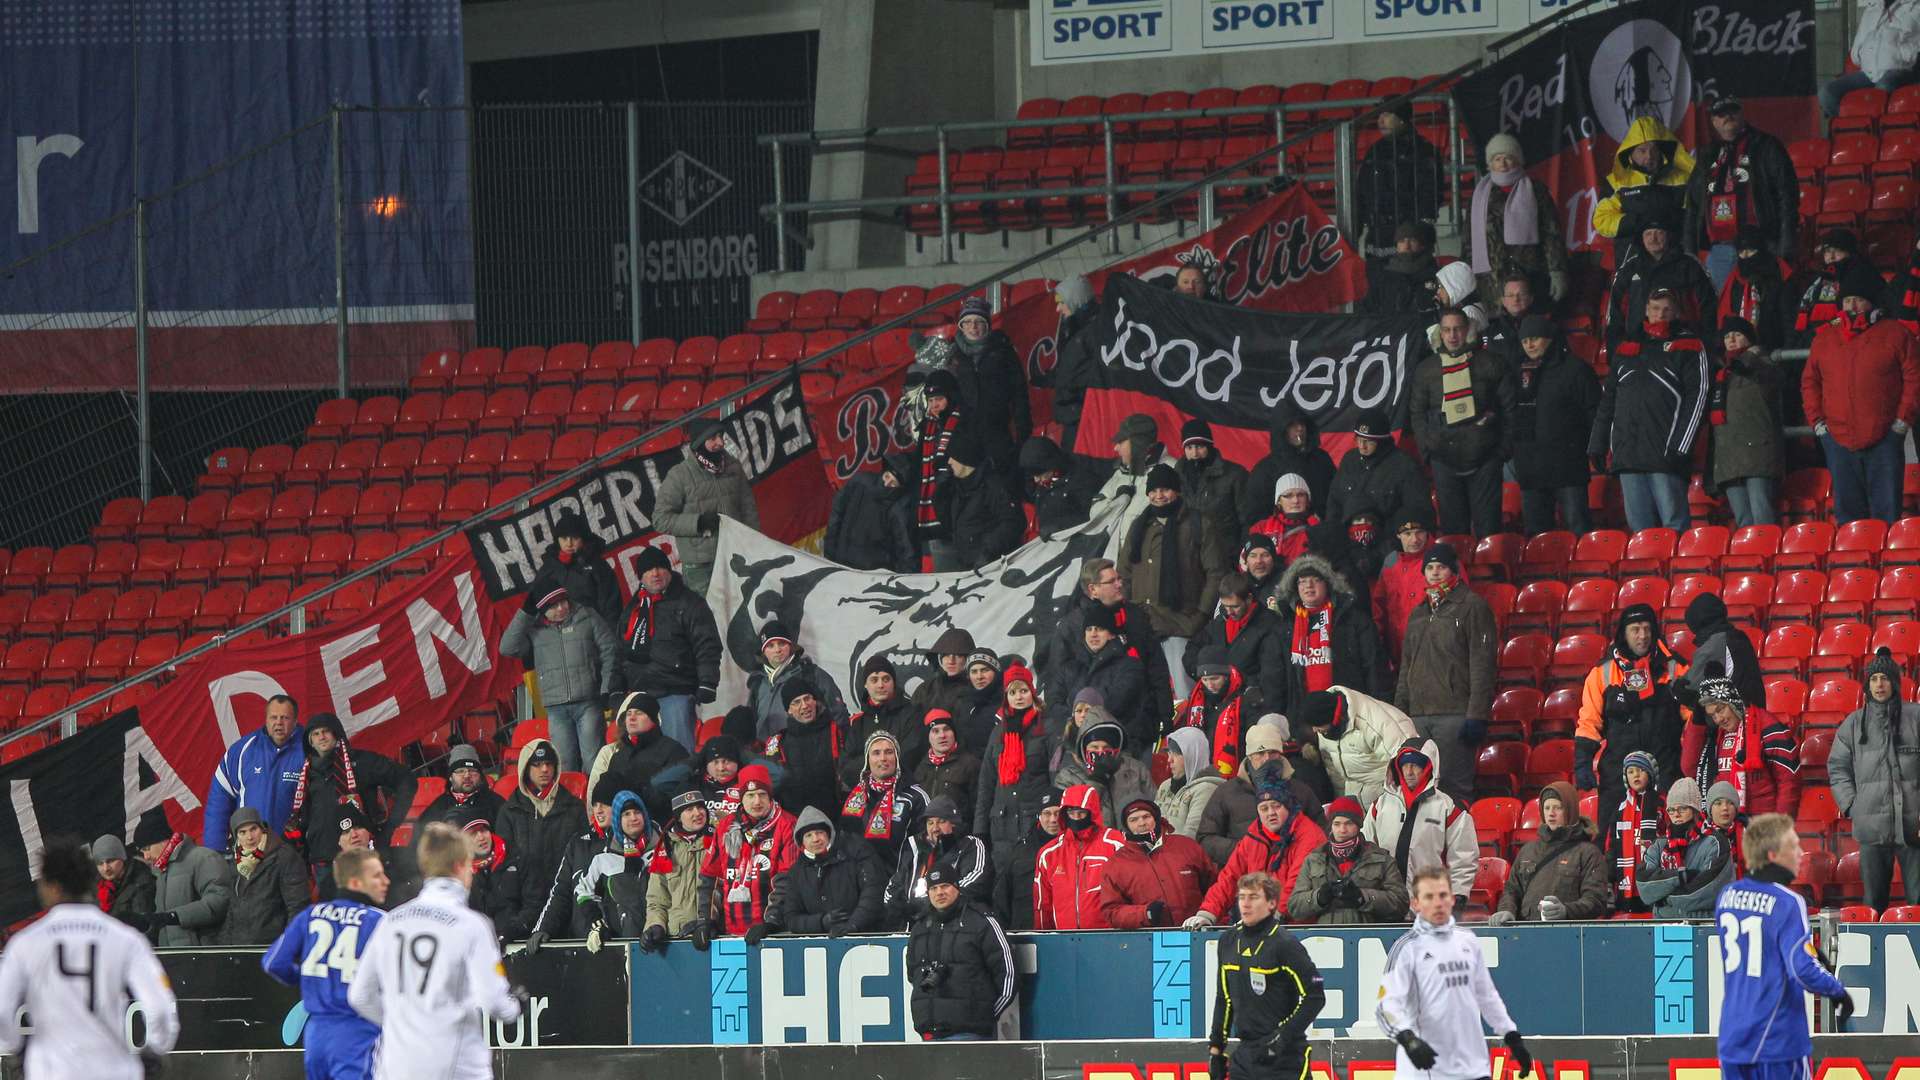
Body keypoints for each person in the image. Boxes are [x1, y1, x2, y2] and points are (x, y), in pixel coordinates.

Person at [349, 824, 523, 1080]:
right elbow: (492, 1001)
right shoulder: (471, 925)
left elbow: (359, 996)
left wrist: (403, 1023)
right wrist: (516, 1006)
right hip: (454, 1064)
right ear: (460, 866)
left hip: (395, 1065)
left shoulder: (391, 921)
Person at [0, 839, 178, 1080]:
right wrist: (154, 1050)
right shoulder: (125, 939)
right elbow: (159, 1008)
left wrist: (16, 1049)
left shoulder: (26, 944)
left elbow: (2, 1010)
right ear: (88, 882)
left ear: (51, 887)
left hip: (51, 1071)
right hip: (112, 1070)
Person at [1713, 814, 1855, 1076]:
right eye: (1793, 845)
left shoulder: (1726, 897)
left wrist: (1810, 952)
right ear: (1772, 855)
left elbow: (1767, 947)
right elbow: (1801, 969)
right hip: (1777, 1040)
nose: (1801, 853)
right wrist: (1837, 992)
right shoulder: (1788, 901)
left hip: (1733, 1037)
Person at [1376, 868, 1535, 1080]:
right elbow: (1385, 1006)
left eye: (1442, 895)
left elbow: (1487, 996)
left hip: (1473, 1068)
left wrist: (1511, 1035)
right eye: (1429, 897)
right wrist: (1407, 1039)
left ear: (1452, 899)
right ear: (1416, 904)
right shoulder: (1407, 948)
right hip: (1426, 1070)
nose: (1438, 903)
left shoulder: (1467, 940)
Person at [1803, 260, 1920, 525]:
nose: (1852, 307)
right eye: (1847, 301)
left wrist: (1900, 424)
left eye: (1858, 300)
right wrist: (1819, 426)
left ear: (1872, 302)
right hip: (1838, 442)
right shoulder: (1825, 339)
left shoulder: (1896, 334)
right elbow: (1810, 383)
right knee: (1848, 523)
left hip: (1885, 440)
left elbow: (1914, 380)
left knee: (1887, 518)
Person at [263, 847, 389, 1080]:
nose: (386, 881)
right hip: (357, 1033)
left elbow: (273, 962)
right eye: (377, 875)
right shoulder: (380, 921)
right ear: (355, 882)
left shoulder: (311, 914)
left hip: (316, 1034)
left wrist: (308, 978)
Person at [1589, 289, 1710, 532]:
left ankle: (1681, 571)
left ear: (1676, 312)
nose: (1660, 315)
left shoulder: (1690, 346)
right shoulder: (1626, 348)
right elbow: (1608, 400)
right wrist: (1597, 443)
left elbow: (1698, 397)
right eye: (1655, 308)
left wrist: (1681, 447)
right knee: (1640, 533)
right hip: (1627, 453)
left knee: (1675, 527)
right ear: (1646, 310)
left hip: (1666, 454)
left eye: (1666, 309)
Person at [1394, 544, 1495, 805]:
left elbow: (1482, 663)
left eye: (1441, 567)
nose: (1435, 572)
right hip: (1417, 715)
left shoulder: (1472, 606)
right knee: (1418, 791)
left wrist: (1476, 714)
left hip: (1455, 714)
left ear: (1453, 570)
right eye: (1430, 567)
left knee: (1453, 788)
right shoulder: (1418, 613)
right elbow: (1407, 665)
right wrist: (1399, 712)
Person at [1207, 870, 1327, 1080]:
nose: (1245, 904)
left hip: (1285, 1057)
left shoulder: (1285, 944)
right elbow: (1223, 998)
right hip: (1245, 1057)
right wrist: (1216, 1049)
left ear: (1271, 903)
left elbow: (1315, 995)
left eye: (1253, 897)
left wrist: (1281, 1039)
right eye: (1241, 897)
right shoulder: (1227, 941)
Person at [1124, 461, 1230, 700]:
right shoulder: (1139, 526)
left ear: (1177, 491)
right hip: (1144, 627)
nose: (1158, 495)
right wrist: (1130, 616)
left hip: (1181, 625)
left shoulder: (1199, 524)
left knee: (1184, 697)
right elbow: (1125, 573)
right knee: (1145, 697)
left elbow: (1216, 573)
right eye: (1153, 490)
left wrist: (1200, 616)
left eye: (1165, 489)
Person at [1829, 648, 1920, 910]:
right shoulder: (1854, 724)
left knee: (1918, 903)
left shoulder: (1915, 717)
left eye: (1885, 678)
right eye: (1874, 678)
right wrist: (1852, 805)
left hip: (1913, 828)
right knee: (1873, 905)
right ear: (1867, 684)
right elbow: (1837, 767)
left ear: (1895, 682)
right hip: (1871, 828)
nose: (1880, 684)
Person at [1411, 307, 1514, 537]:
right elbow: (1416, 414)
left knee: (1489, 531)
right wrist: (1427, 450)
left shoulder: (1491, 363)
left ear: (1468, 330)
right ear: (1440, 332)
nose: (1452, 335)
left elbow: (1509, 409)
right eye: (1446, 330)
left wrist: (1502, 451)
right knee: (1453, 532)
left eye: (1457, 329)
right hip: (1443, 458)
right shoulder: (1426, 369)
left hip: (1485, 457)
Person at [1574, 604, 1689, 810]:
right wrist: (1583, 761)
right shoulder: (1602, 672)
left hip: (1665, 771)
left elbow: (1691, 718)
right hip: (1618, 776)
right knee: (1612, 840)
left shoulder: (1676, 667)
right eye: (1635, 629)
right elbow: (1589, 721)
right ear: (1623, 634)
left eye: (1647, 628)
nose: (1642, 635)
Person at [1186, 769, 1328, 927]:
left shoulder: (1309, 835)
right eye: (1264, 808)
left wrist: (1270, 915)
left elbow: (1296, 884)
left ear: (1289, 806)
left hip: (1300, 927)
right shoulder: (1254, 836)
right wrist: (1207, 914)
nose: (1270, 813)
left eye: (1276, 806)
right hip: (1262, 921)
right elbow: (1230, 878)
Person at [614, 544, 721, 753]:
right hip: (641, 696)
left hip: (676, 693)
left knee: (679, 755)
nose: (655, 573)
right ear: (640, 576)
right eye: (648, 570)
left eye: (660, 568)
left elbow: (707, 644)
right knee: (645, 760)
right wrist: (616, 687)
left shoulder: (690, 602)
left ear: (669, 570)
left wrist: (708, 682)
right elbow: (620, 652)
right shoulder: (632, 610)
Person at [501, 586, 619, 773]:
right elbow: (507, 647)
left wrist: (606, 687)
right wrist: (525, 613)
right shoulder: (533, 628)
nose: (561, 608)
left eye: (563, 601)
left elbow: (610, 650)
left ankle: (595, 801)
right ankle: (571, 802)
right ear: (541, 610)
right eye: (553, 606)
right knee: (564, 764)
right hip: (555, 707)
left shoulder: (587, 616)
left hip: (589, 701)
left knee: (594, 761)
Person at [1684, 97, 1798, 289]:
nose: (1728, 117)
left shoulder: (1766, 146)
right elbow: (1693, 206)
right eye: (1721, 114)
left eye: (1732, 111)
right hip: (1720, 250)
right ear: (1713, 122)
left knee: (1760, 309)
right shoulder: (1707, 155)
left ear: (1742, 114)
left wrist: (1785, 244)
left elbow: (1787, 196)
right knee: (1723, 312)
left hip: (1761, 245)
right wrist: (1689, 251)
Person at [527, 782, 654, 950]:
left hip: (629, 940)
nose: (599, 810)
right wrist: (544, 928)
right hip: (585, 944)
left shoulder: (646, 845)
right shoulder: (578, 844)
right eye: (595, 805)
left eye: (605, 804)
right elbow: (562, 891)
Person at [1508, 314, 1600, 535]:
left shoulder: (1576, 370)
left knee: (1577, 527)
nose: (1529, 344)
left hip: (1568, 465)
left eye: (1535, 338)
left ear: (1550, 338)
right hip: (1530, 467)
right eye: (1524, 340)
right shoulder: (1517, 372)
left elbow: (1595, 412)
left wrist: (1591, 448)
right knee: (1537, 536)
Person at [1362, 740, 1478, 909]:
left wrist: (1458, 894)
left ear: (1428, 767)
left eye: (1415, 765)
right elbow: (1365, 848)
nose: (1409, 771)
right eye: (1404, 765)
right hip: (1386, 900)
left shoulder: (1448, 807)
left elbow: (1464, 855)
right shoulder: (1380, 805)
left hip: (1430, 902)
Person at [652, 416, 759, 596]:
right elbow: (660, 519)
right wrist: (698, 523)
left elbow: (748, 508)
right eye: (712, 438)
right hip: (701, 568)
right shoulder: (679, 475)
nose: (720, 442)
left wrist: (754, 543)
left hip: (737, 555)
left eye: (721, 436)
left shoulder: (733, 466)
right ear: (699, 443)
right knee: (710, 621)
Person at [906, 865, 1015, 1042]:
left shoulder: (981, 921)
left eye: (945, 886)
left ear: (957, 887)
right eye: (933, 888)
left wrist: (983, 1015)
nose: (939, 892)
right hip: (929, 1033)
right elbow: (913, 975)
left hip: (970, 1034)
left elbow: (1007, 973)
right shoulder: (919, 927)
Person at [695, 764, 798, 946]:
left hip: (774, 935)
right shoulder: (725, 827)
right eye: (750, 795)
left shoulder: (787, 825)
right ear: (741, 798)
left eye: (762, 794)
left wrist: (771, 923)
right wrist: (706, 920)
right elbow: (710, 877)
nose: (756, 801)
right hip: (729, 935)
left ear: (770, 796)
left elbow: (788, 880)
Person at [1197, 724, 1329, 865]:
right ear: (1249, 756)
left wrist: (1293, 852)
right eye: (1260, 753)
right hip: (1242, 877)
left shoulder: (1301, 791)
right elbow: (1205, 838)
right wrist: (1245, 851)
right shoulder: (1227, 792)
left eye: (1272, 752)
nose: (1267, 759)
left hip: (1292, 873)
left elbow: (1321, 833)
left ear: (1280, 754)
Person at [1277, 553, 1387, 718]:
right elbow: (1280, 677)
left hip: (1349, 710)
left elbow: (1373, 666)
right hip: (1304, 716)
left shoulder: (1353, 619)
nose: (1309, 586)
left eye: (1316, 580)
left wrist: (1378, 707)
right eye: (1302, 582)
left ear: (1328, 584)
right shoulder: (1286, 626)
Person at [495, 739, 588, 933]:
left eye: (548, 764)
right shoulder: (509, 811)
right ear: (525, 769)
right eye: (537, 765)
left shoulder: (575, 808)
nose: (544, 769)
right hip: (524, 909)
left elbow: (583, 858)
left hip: (567, 908)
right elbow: (504, 864)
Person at [1485, 783, 1611, 924]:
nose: (1551, 813)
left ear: (1570, 810)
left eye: (1558, 808)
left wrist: (1566, 911)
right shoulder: (1528, 850)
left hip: (1568, 935)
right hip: (1526, 932)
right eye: (1547, 808)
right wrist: (1507, 910)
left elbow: (1596, 901)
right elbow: (1512, 890)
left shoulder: (1588, 852)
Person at [1467, 134, 1569, 304]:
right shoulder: (1479, 195)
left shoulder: (1536, 190)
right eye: (1497, 159)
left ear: (1518, 160)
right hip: (1492, 278)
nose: (1503, 164)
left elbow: (1552, 233)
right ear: (1489, 163)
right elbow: (1469, 240)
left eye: (1508, 158)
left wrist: (1557, 270)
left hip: (1532, 274)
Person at [974, 665, 1056, 871]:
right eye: (1012, 692)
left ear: (1033, 692)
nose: (1018, 697)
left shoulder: (1046, 728)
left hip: (1036, 822)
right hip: (1001, 827)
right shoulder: (997, 733)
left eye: (1023, 691)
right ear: (1006, 697)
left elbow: (1056, 776)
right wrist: (980, 829)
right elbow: (986, 783)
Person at [1710, 318, 1788, 528]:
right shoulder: (1721, 373)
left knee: (1763, 517)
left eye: (1737, 334)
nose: (1731, 340)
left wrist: (1752, 358)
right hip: (1729, 457)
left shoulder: (1762, 364)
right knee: (1743, 521)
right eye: (1727, 336)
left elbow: (1776, 381)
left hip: (1758, 454)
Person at [205, 693, 305, 850]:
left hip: (294, 851)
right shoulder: (242, 751)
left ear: (295, 721)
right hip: (249, 852)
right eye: (273, 717)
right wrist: (214, 850)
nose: (278, 723)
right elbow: (219, 801)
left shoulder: (309, 749)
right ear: (266, 719)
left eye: (285, 718)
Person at [768, 806, 886, 938]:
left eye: (819, 832)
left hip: (864, 937)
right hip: (819, 946)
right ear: (801, 843)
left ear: (829, 834)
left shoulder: (856, 853)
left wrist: (853, 925)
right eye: (808, 835)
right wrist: (821, 922)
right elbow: (792, 918)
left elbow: (872, 892)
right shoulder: (797, 872)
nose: (815, 839)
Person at [1288, 796, 1408, 924]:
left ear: (1358, 825)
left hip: (1368, 939)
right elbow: (1294, 907)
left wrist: (1362, 897)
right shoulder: (1313, 860)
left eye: (1349, 823)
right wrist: (1318, 897)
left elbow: (1401, 903)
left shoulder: (1382, 860)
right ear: (1331, 826)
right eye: (1337, 824)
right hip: (1325, 940)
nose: (1342, 830)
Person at [1591, 115, 1694, 265]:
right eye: (1642, 150)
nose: (1649, 156)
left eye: (1654, 150)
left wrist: (1667, 219)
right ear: (1630, 152)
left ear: (1661, 150)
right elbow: (1601, 220)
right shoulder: (1617, 182)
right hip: (1632, 266)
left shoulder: (1682, 179)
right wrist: (1639, 221)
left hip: (1675, 264)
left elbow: (1694, 218)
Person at [1100, 799, 1216, 929]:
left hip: (1196, 934)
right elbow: (1112, 911)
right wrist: (1144, 914)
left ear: (1156, 819)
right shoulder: (1116, 864)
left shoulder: (1187, 846)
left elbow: (1215, 888)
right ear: (1126, 826)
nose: (1142, 823)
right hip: (1149, 941)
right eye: (1133, 820)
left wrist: (1212, 921)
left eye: (1146, 817)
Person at [1606, 215, 1718, 349]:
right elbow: (1615, 314)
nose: (1653, 239)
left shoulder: (1689, 266)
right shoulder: (1630, 269)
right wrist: (1617, 350)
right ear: (1641, 238)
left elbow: (1709, 309)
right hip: (1638, 347)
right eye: (1648, 234)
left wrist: (1706, 346)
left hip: (1683, 347)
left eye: (1659, 233)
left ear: (1669, 236)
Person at [950, 294, 1032, 477]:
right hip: (966, 435)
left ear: (987, 325)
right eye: (968, 322)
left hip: (998, 432)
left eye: (978, 321)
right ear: (961, 325)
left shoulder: (1003, 351)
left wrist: (1023, 432)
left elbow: (1019, 394)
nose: (973, 327)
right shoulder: (953, 355)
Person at [1693, 678, 1801, 817]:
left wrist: (1780, 824)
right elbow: (1690, 765)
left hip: (1764, 826)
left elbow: (1788, 781)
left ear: (1733, 702)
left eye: (1720, 710)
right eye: (1713, 715)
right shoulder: (1718, 735)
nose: (1718, 719)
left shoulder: (1766, 726)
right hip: (1731, 824)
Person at [1053, 608, 1153, 752]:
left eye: (1099, 629)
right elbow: (1054, 703)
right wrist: (1077, 717)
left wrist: (1080, 712)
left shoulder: (1130, 666)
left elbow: (1118, 702)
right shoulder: (1069, 668)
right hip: (1074, 747)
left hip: (1118, 748)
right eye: (1089, 629)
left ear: (1111, 634)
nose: (1093, 633)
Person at [884, 796, 992, 929]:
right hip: (914, 930)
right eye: (930, 823)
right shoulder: (915, 849)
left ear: (954, 823)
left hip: (957, 926)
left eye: (941, 821)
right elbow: (892, 889)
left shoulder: (971, 845)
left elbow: (976, 881)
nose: (935, 828)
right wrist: (902, 909)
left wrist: (928, 904)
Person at [1354, 101, 1443, 261]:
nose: (1380, 120)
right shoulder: (1375, 150)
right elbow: (1362, 192)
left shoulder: (1423, 150)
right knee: (1377, 282)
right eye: (1379, 115)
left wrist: (1420, 233)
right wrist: (1356, 229)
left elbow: (1430, 195)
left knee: (1413, 282)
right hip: (1377, 237)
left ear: (1402, 119)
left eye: (1387, 114)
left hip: (1410, 238)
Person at [127, 811, 233, 945]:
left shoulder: (203, 858)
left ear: (164, 840)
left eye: (147, 848)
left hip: (203, 957)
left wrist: (174, 916)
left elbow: (220, 901)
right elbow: (162, 921)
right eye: (142, 852)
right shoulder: (161, 872)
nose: (146, 856)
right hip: (174, 958)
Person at [1034, 784, 1129, 930]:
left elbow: (1131, 891)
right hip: (1064, 940)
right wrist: (1043, 939)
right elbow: (1043, 905)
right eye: (1072, 812)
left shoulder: (1115, 843)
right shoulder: (1049, 853)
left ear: (1092, 812)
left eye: (1081, 812)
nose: (1076, 818)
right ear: (1065, 814)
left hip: (1109, 937)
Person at [739, 619, 849, 745]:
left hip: (807, 752)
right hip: (766, 756)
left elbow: (839, 713)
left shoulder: (811, 674)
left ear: (790, 646)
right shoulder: (758, 683)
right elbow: (751, 723)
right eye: (771, 645)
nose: (777, 650)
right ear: (763, 651)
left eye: (781, 643)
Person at [1637, 777, 1733, 918]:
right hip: (1663, 926)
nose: (1676, 814)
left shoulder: (1715, 842)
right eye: (1671, 810)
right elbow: (1644, 887)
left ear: (1695, 810)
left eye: (1682, 808)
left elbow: (1708, 891)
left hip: (1701, 925)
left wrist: (1664, 898)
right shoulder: (1659, 845)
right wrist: (1681, 877)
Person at [1325, 410, 1431, 538]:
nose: (1362, 446)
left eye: (1369, 441)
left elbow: (1417, 512)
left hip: (1387, 542)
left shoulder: (1404, 466)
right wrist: (1333, 533)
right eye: (1359, 439)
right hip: (1347, 540)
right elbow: (1334, 500)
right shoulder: (1349, 460)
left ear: (1382, 441)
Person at [587, 691, 690, 817]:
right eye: (629, 714)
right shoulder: (619, 755)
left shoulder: (673, 751)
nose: (632, 717)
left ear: (653, 720)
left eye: (639, 713)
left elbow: (677, 797)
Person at [220, 806, 310, 945]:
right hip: (240, 948)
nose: (249, 837)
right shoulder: (235, 862)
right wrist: (226, 948)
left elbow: (298, 906)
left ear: (262, 828)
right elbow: (231, 910)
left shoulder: (284, 857)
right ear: (236, 836)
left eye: (253, 829)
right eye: (242, 832)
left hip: (272, 947)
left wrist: (287, 945)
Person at [936, 430, 1026, 570]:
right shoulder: (955, 486)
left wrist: (987, 550)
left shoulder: (994, 486)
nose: (949, 461)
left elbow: (1013, 522)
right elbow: (947, 522)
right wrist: (940, 494)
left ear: (965, 459)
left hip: (991, 567)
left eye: (952, 457)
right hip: (966, 565)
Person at [844, 730, 931, 870]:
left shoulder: (916, 797)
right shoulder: (855, 797)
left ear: (897, 758)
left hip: (900, 880)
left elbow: (927, 843)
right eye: (876, 753)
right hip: (862, 880)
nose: (883, 758)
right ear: (867, 760)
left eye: (889, 752)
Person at [639, 789, 712, 952]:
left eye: (700, 807)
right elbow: (657, 899)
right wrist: (655, 925)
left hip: (714, 937)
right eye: (689, 809)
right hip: (676, 941)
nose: (697, 813)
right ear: (678, 816)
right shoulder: (665, 847)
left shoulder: (719, 841)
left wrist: (707, 921)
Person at [764, 679, 848, 819]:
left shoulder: (836, 731)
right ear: (788, 710)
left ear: (815, 701)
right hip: (795, 820)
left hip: (837, 815)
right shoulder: (778, 742)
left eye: (807, 698)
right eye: (796, 702)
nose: (804, 706)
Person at [1824, 0, 1920, 117]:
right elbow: (1857, 46)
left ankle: (1881, 131)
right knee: (1827, 93)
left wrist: (1904, 56)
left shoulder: (1915, 7)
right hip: (1868, 73)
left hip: (1901, 69)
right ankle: (1855, 130)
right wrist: (1863, 56)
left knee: (1882, 89)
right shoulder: (1872, 8)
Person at [1244, 405, 1336, 527]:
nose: (1299, 429)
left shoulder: (1321, 459)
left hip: (1320, 534)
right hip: (1281, 539)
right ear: (1281, 430)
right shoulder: (1265, 470)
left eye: (1302, 424)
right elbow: (1255, 516)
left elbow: (1336, 497)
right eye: (1292, 425)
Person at [529, 510, 623, 624]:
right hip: (560, 634)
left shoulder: (597, 564)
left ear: (583, 538)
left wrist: (608, 636)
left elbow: (611, 606)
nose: (569, 543)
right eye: (564, 538)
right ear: (557, 540)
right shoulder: (549, 568)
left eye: (574, 538)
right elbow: (535, 605)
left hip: (596, 630)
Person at [825, 454, 917, 571]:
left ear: (900, 488)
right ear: (884, 471)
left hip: (864, 571)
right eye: (887, 476)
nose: (887, 483)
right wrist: (829, 552)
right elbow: (836, 516)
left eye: (893, 483)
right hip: (854, 568)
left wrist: (829, 553)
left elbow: (904, 547)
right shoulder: (858, 482)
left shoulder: (897, 508)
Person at [1680, 593, 1766, 712]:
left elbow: (1689, 687)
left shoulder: (1714, 644)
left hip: (1734, 720)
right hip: (1754, 715)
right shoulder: (1737, 636)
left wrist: (1673, 686)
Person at [1372, 509, 1434, 668]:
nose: (1414, 539)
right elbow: (1378, 607)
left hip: (1433, 654)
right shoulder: (1390, 562)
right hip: (1397, 653)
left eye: (1419, 532)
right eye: (1408, 534)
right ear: (1398, 535)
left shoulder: (1440, 560)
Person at [1605, 751, 1665, 914]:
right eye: (1631, 772)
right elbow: (1611, 847)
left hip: (1654, 881)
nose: (1635, 775)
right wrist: (1610, 879)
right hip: (1626, 884)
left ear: (1650, 774)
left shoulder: (1661, 804)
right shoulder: (1620, 809)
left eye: (1641, 770)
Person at [1091, 413, 1177, 525]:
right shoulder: (1122, 471)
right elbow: (1094, 512)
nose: (1115, 448)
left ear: (1138, 444)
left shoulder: (1174, 470)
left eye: (1121, 442)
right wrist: (1118, 501)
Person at [1719, 226, 1796, 350]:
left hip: (1774, 349)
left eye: (1750, 250)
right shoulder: (1734, 279)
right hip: (1740, 350)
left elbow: (1789, 319)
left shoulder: (1780, 275)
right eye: (1741, 252)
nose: (1745, 256)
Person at [994, 790, 1060, 930]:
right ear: (1039, 816)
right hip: (1025, 931)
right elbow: (1002, 896)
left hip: (1065, 932)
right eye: (1047, 813)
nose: (1053, 819)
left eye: (1058, 813)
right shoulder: (1019, 851)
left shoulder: (1073, 849)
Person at [1177, 419, 1249, 540]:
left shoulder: (1235, 474)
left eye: (1200, 446)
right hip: (1188, 553)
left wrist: (1243, 552)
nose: (1194, 453)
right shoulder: (1176, 476)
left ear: (1209, 446)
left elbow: (1248, 520)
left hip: (1226, 552)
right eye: (1189, 447)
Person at [1019, 435, 1104, 538]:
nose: (1036, 480)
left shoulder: (1079, 478)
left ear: (1050, 464)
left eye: (1039, 474)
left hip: (1080, 539)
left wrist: (1059, 526)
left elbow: (1092, 516)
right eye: (1033, 476)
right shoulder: (1045, 483)